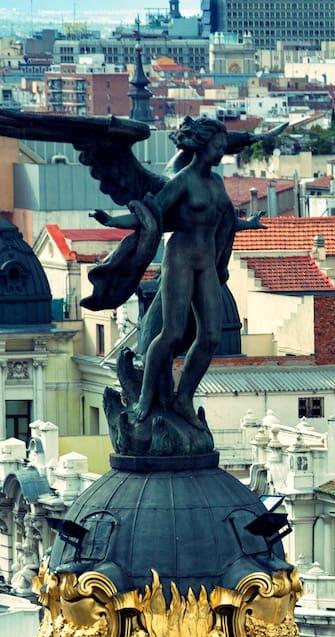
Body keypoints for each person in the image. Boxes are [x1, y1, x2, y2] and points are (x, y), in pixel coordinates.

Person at [89, 117, 261, 424]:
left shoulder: (217, 183)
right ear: (204, 145)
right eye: (218, 144)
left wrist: (247, 225)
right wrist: (113, 221)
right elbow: (151, 212)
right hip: (180, 259)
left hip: (206, 262)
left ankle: (183, 398)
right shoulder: (181, 181)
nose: (223, 150)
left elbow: (222, 220)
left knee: (209, 336)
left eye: (224, 145)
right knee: (171, 333)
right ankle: (145, 397)